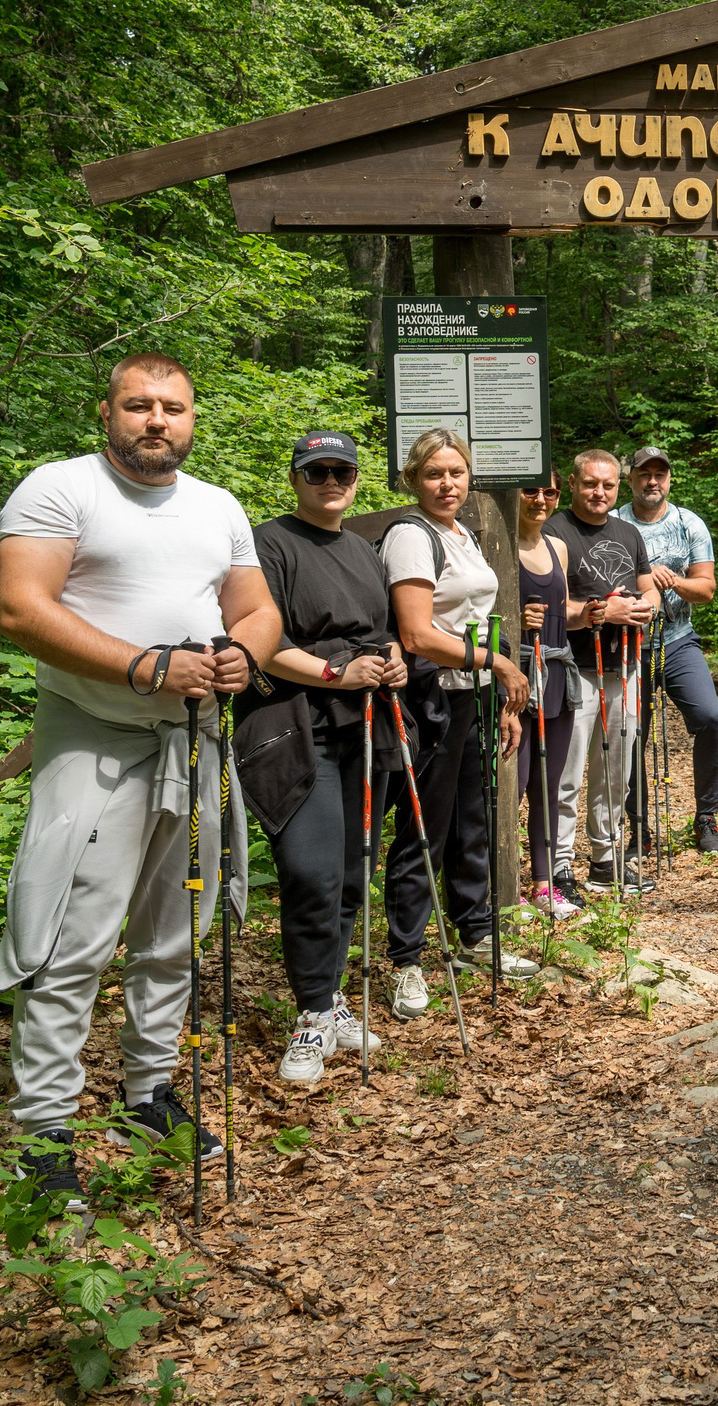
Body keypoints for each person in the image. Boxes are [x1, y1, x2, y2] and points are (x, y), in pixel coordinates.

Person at [0, 353, 282, 1205]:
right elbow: (22, 608)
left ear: (193, 418)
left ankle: (149, 1094)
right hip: (97, 734)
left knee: (176, 928)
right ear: (108, 411)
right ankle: (44, 1132)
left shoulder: (218, 506)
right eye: (139, 405)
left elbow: (256, 610)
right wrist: (147, 666)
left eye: (174, 408)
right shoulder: (60, 488)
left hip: (193, 740)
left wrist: (242, 656)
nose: (157, 420)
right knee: (68, 933)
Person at [235, 431, 411, 1087]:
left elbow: (384, 627)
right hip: (298, 724)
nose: (330, 480)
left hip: (364, 725)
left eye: (341, 471)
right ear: (296, 476)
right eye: (317, 471)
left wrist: (391, 660)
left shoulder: (365, 550)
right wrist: (337, 674)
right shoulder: (269, 542)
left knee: (348, 870)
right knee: (309, 870)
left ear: (358, 480)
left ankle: (329, 999)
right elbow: (262, 639)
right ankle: (311, 1014)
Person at [380, 427, 537, 1017]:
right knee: (427, 829)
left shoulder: (463, 533)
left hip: (470, 695)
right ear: (413, 480)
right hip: (429, 698)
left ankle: (476, 934)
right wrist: (498, 665)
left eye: (456, 473)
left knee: (475, 818)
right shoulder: (411, 537)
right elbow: (418, 633)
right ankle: (408, 959)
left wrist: (495, 695)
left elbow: (476, 618)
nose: (447, 484)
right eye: (434, 474)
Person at [546, 449, 660, 895]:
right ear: (573, 484)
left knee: (616, 770)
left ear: (619, 486)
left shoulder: (629, 533)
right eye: (591, 484)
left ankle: (605, 860)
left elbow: (648, 591)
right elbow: (554, 608)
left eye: (608, 485)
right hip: (576, 669)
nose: (599, 492)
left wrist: (640, 608)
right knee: (569, 772)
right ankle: (557, 867)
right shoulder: (555, 531)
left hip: (625, 666)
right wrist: (599, 613)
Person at [617, 446, 718, 852]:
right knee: (631, 735)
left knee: (711, 719)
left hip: (678, 641)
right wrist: (644, 580)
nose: (652, 481)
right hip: (627, 648)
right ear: (629, 480)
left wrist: (674, 582)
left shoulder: (689, 523)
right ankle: (638, 828)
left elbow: (708, 589)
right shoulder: (613, 523)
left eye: (659, 474)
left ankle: (706, 818)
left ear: (669, 479)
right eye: (644, 474)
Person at [513, 470, 582, 917]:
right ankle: (498, 887)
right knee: (512, 784)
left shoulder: (557, 546)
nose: (541, 499)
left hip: (556, 670)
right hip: (515, 672)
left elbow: (565, 610)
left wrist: (592, 613)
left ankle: (543, 884)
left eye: (550, 492)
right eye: (531, 490)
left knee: (548, 783)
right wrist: (516, 617)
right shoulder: (496, 543)